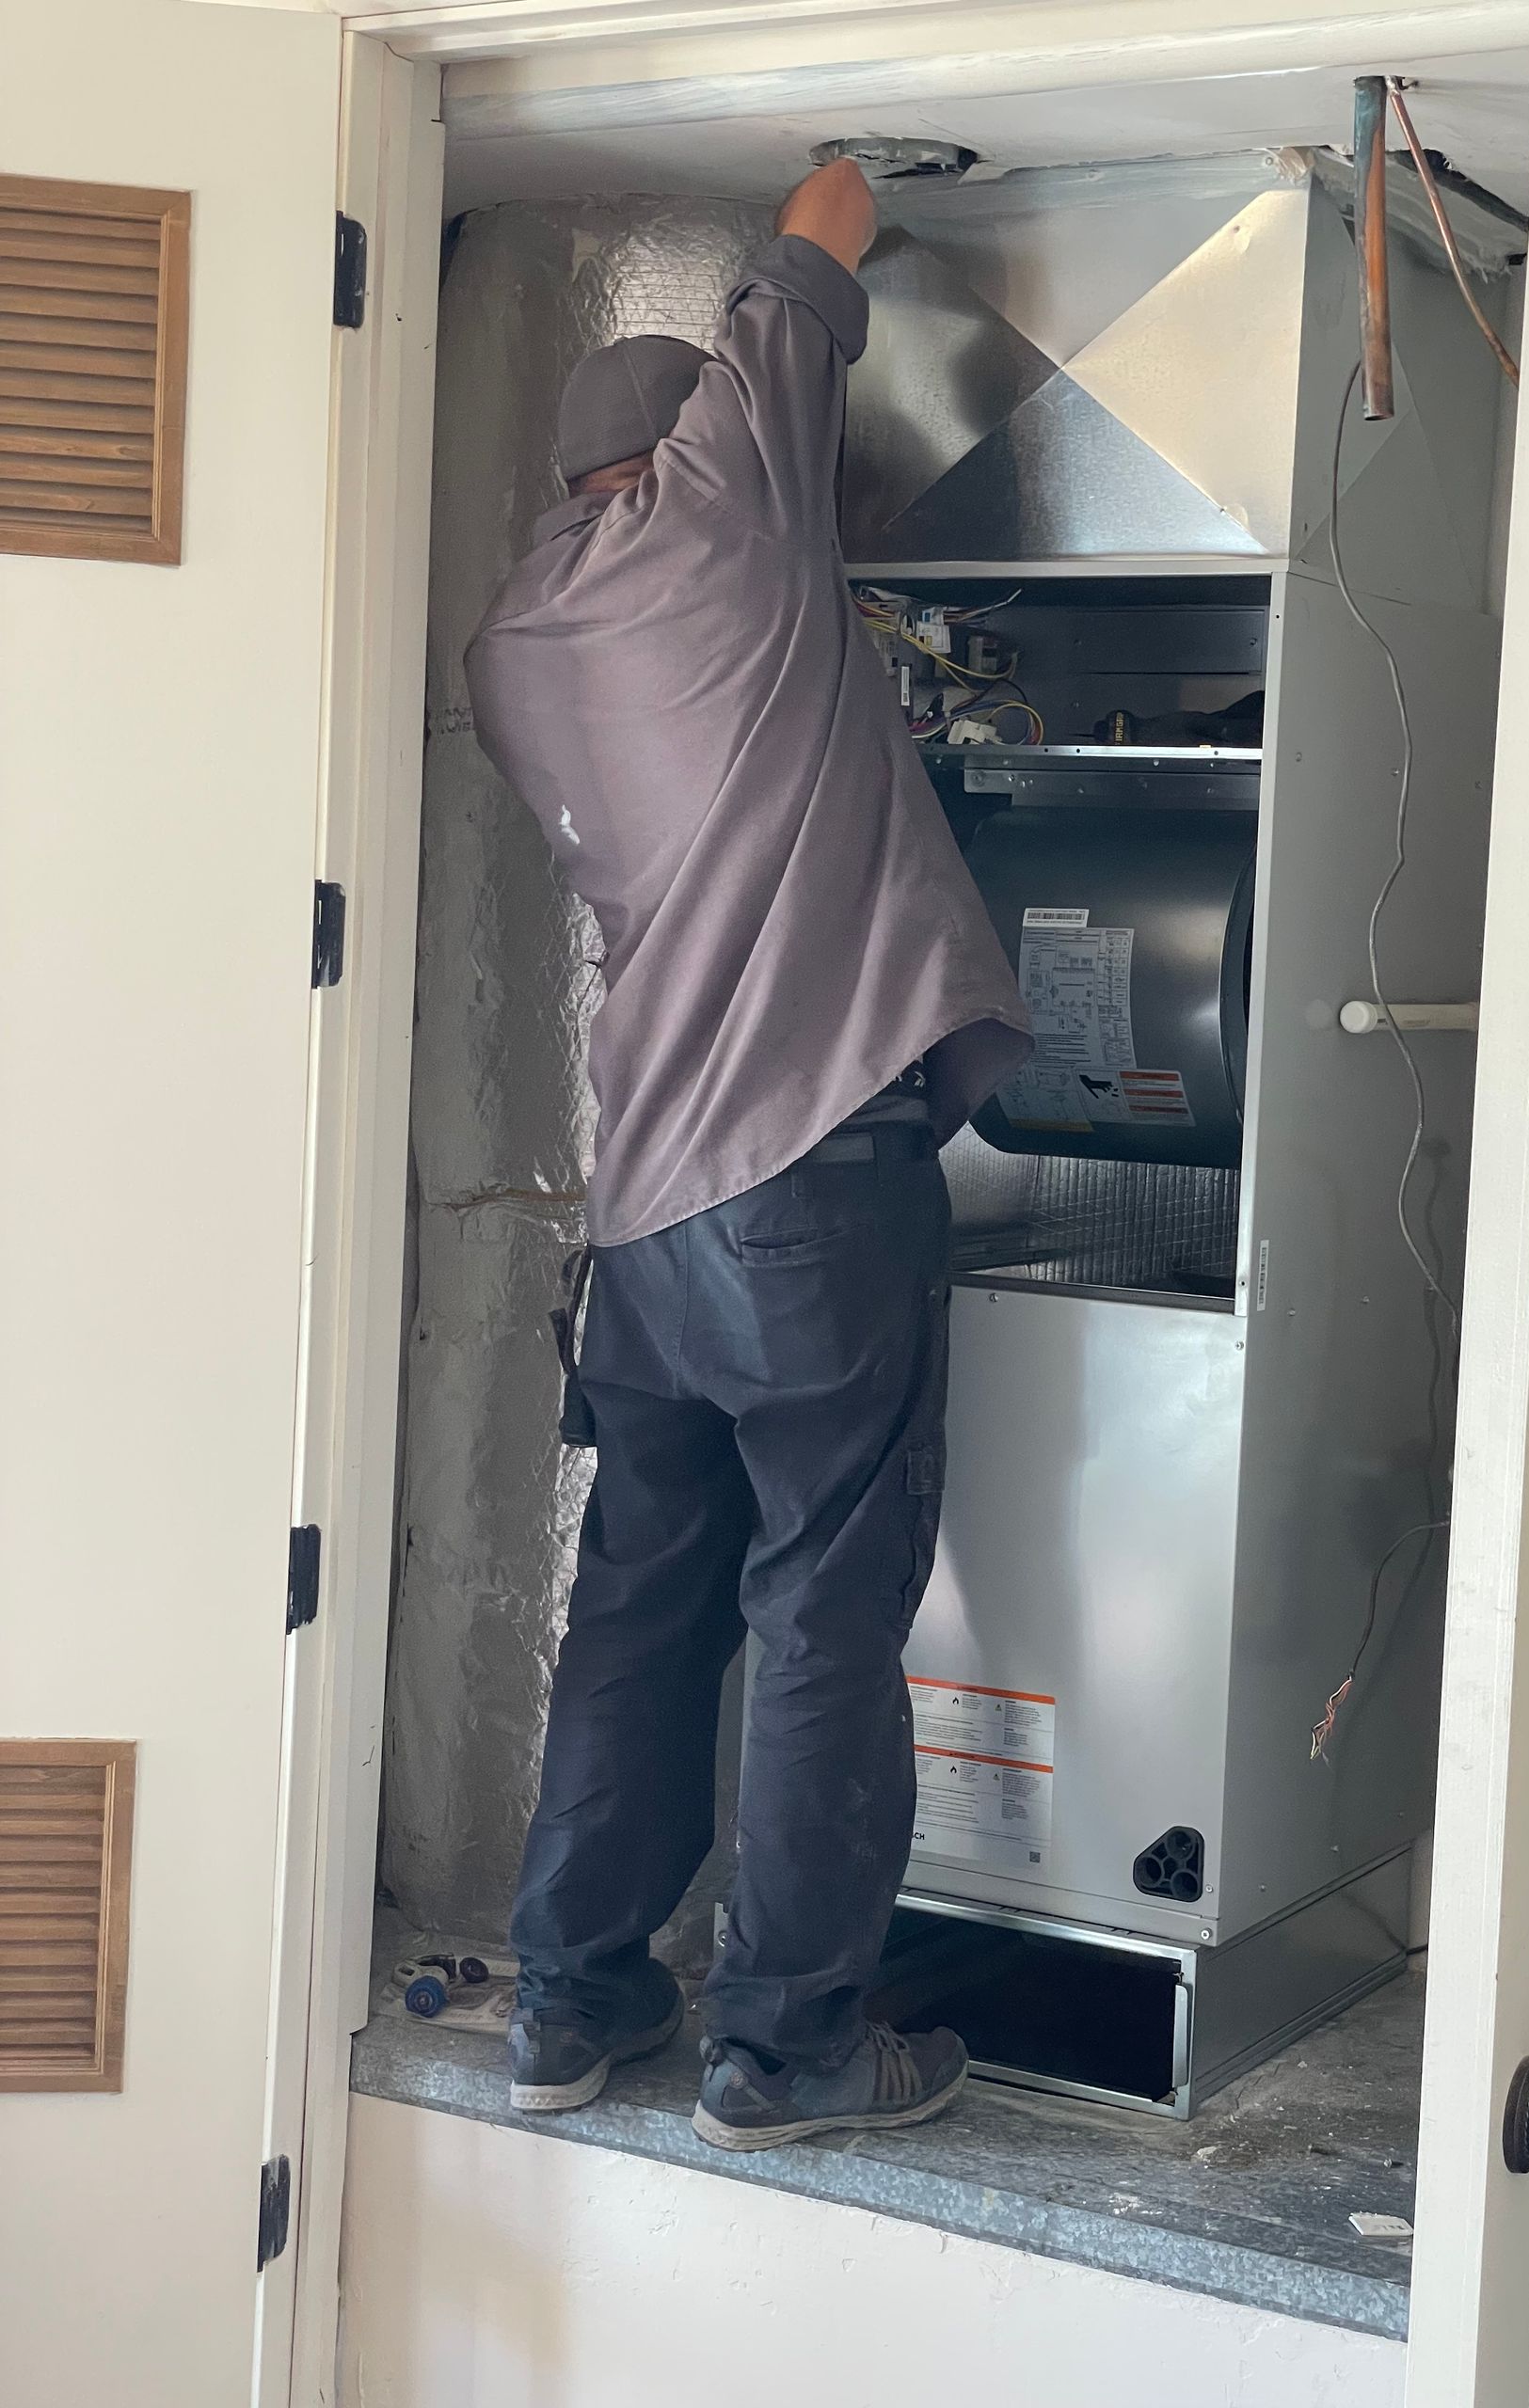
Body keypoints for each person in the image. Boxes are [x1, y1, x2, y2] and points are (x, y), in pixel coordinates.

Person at [464, 158, 1032, 2152]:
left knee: (639, 1600)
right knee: (821, 1610)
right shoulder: (736, 514)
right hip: (809, 1181)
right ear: (689, 448)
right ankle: (788, 2050)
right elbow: (815, 239)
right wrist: (874, 164)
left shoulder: (520, 640)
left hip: (650, 1216)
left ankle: (572, 1999)